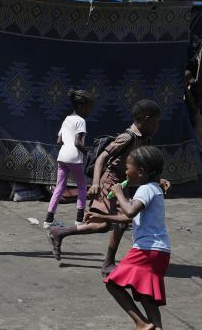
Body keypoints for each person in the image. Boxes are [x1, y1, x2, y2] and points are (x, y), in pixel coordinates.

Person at [48, 99, 162, 277]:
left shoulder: (144, 138)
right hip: (109, 182)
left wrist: (158, 179)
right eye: (156, 122)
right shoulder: (127, 137)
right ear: (146, 119)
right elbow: (101, 158)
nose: (157, 126)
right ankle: (107, 262)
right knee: (118, 220)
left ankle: (60, 232)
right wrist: (95, 183)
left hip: (121, 182)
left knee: (106, 224)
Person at [87, 146, 172, 330]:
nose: (126, 173)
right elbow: (127, 218)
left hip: (147, 249)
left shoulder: (145, 190)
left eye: (128, 168)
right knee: (146, 295)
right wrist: (104, 218)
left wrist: (117, 192)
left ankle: (141, 323)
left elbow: (130, 211)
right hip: (160, 251)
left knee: (112, 281)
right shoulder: (154, 188)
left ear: (141, 171)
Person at [45, 89, 94, 227]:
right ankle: (79, 219)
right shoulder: (81, 121)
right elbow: (78, 142)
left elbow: (59, 141)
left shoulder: (67, 119)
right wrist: (88, 153)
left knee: (59, 186)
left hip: (62, 156)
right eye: (89, 107)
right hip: (74, 157)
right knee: (83, 186)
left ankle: (49, 220)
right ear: (81, 106)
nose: (89, 111)